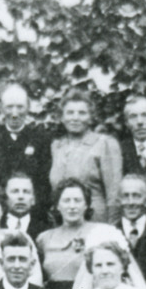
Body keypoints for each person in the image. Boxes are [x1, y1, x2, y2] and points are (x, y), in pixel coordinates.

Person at [36, 178, 124, 289]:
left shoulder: (100, 232)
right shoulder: (44, 238)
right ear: (57, 206)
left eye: (77, 200)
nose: (72, 206)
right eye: (66, 201)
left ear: (86, 205)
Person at [49, 89, 123, 223]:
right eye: (70, 113)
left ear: (91, 117)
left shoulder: (105, 143)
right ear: (62, 117)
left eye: (82, 113)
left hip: (95, 220)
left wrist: (111, 228)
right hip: (63, 221)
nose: (75, 118)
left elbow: (114, 194)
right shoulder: (57, 146)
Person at [0, 83, 53, 206]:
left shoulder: (41, 139)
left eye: (20, 107)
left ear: (28, 107)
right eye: (9, 107)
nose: (15, 113)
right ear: (1, 108)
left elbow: (44, 182)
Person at [2, 172, 51, 239]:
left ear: (33, 199)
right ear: (5, 198)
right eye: (15, 191)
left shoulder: (45, 229)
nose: (21, 196)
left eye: (26, 192)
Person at [115, 174, 146, 254]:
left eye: (136, 196)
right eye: (125, 196)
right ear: (118, 201)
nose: (131, 202)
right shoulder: (111, 233)